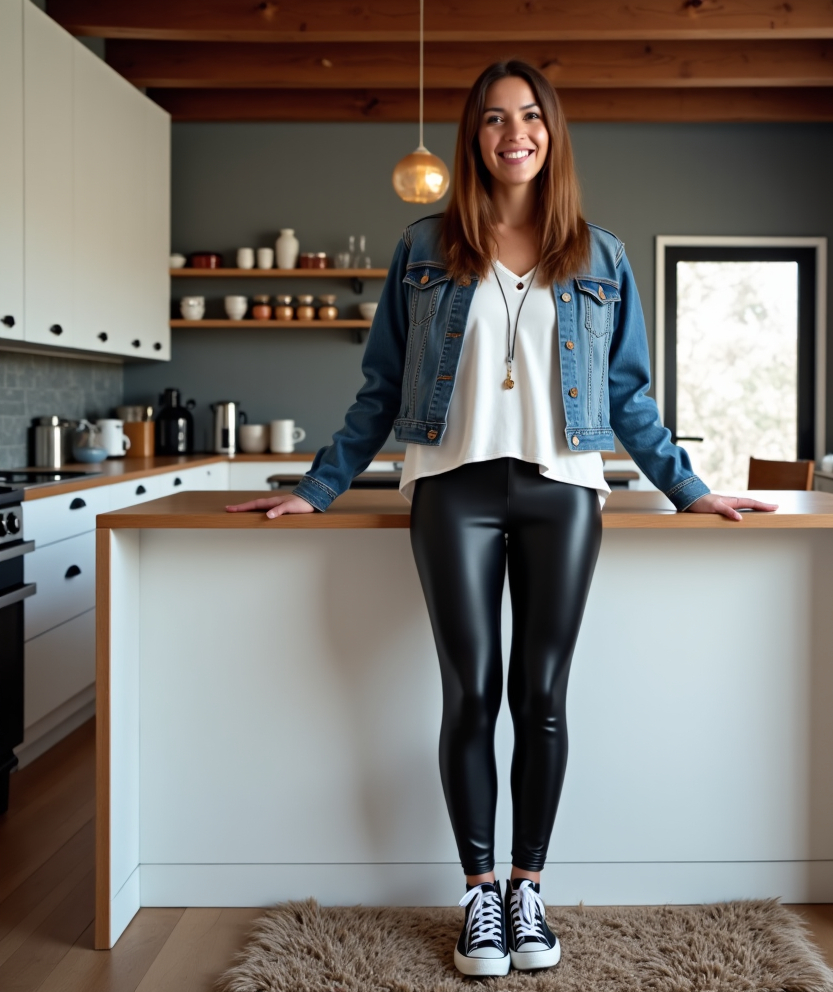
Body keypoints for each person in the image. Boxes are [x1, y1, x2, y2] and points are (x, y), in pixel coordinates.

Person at [227, 60, 777, 977]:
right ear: (472, 137)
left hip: (565, 491)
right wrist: (318, 486)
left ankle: (530, 889)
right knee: (471, 693)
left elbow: (631, 397)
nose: (512, 132)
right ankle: (479, 895)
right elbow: (381, 391)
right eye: (493, 119)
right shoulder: (423, 247)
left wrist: (690, 488)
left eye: (528, 116)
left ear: (551, 133)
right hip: (453, 488)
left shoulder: (600, 255)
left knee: (543, 698)